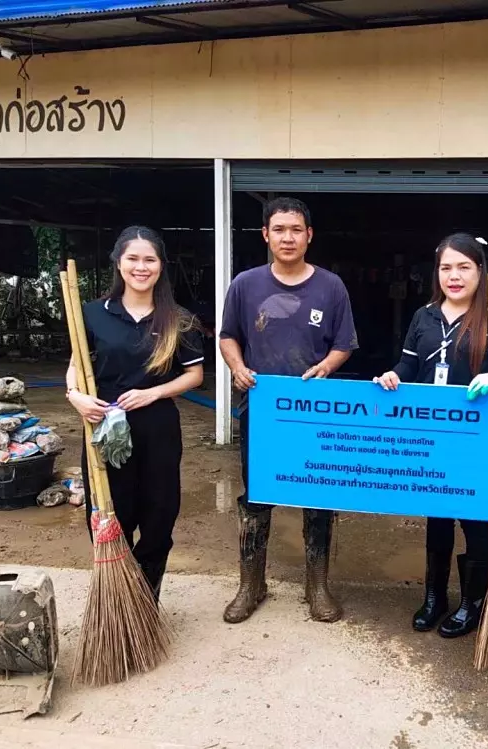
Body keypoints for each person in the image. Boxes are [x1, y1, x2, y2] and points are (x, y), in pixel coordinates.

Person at [374, 233, 488, 638]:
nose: (454, 276)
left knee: (474, 520)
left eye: (464, 267)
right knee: (437, 517)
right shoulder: (424, 316)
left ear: (480, 271)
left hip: (474, 437)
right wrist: (393, 375)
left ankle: (472, 603)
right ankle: (434, 597)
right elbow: (408, 367)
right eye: (446, 268)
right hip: (430, 435)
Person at [219, 197, 358, 624]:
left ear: (309, 235)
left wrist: (327, 366)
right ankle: (251, 584)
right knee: (258, 494)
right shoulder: (245, 284)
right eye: (278, 229)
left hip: (316, 412)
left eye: (296, 229)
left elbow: (344, 344)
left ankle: (317, 586)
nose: (287, 237)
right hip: (263, 412)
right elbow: (228, 337)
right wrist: (238, 368)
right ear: (265, 234)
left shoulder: (331, 287)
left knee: (316, 495)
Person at [66, 226, 205, 602]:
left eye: (150, 260)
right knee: (111, 513)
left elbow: (195, 374)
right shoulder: (92, 314)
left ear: (161, 266)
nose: (141, 267)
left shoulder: (178, 318)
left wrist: (153, 393)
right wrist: (75, 395)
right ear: (118, 262)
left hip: (156, 427)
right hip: (103, 426)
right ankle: (117, 600)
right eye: (133, 259)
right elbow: (77, 364)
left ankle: (146, 601)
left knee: (160, 513)